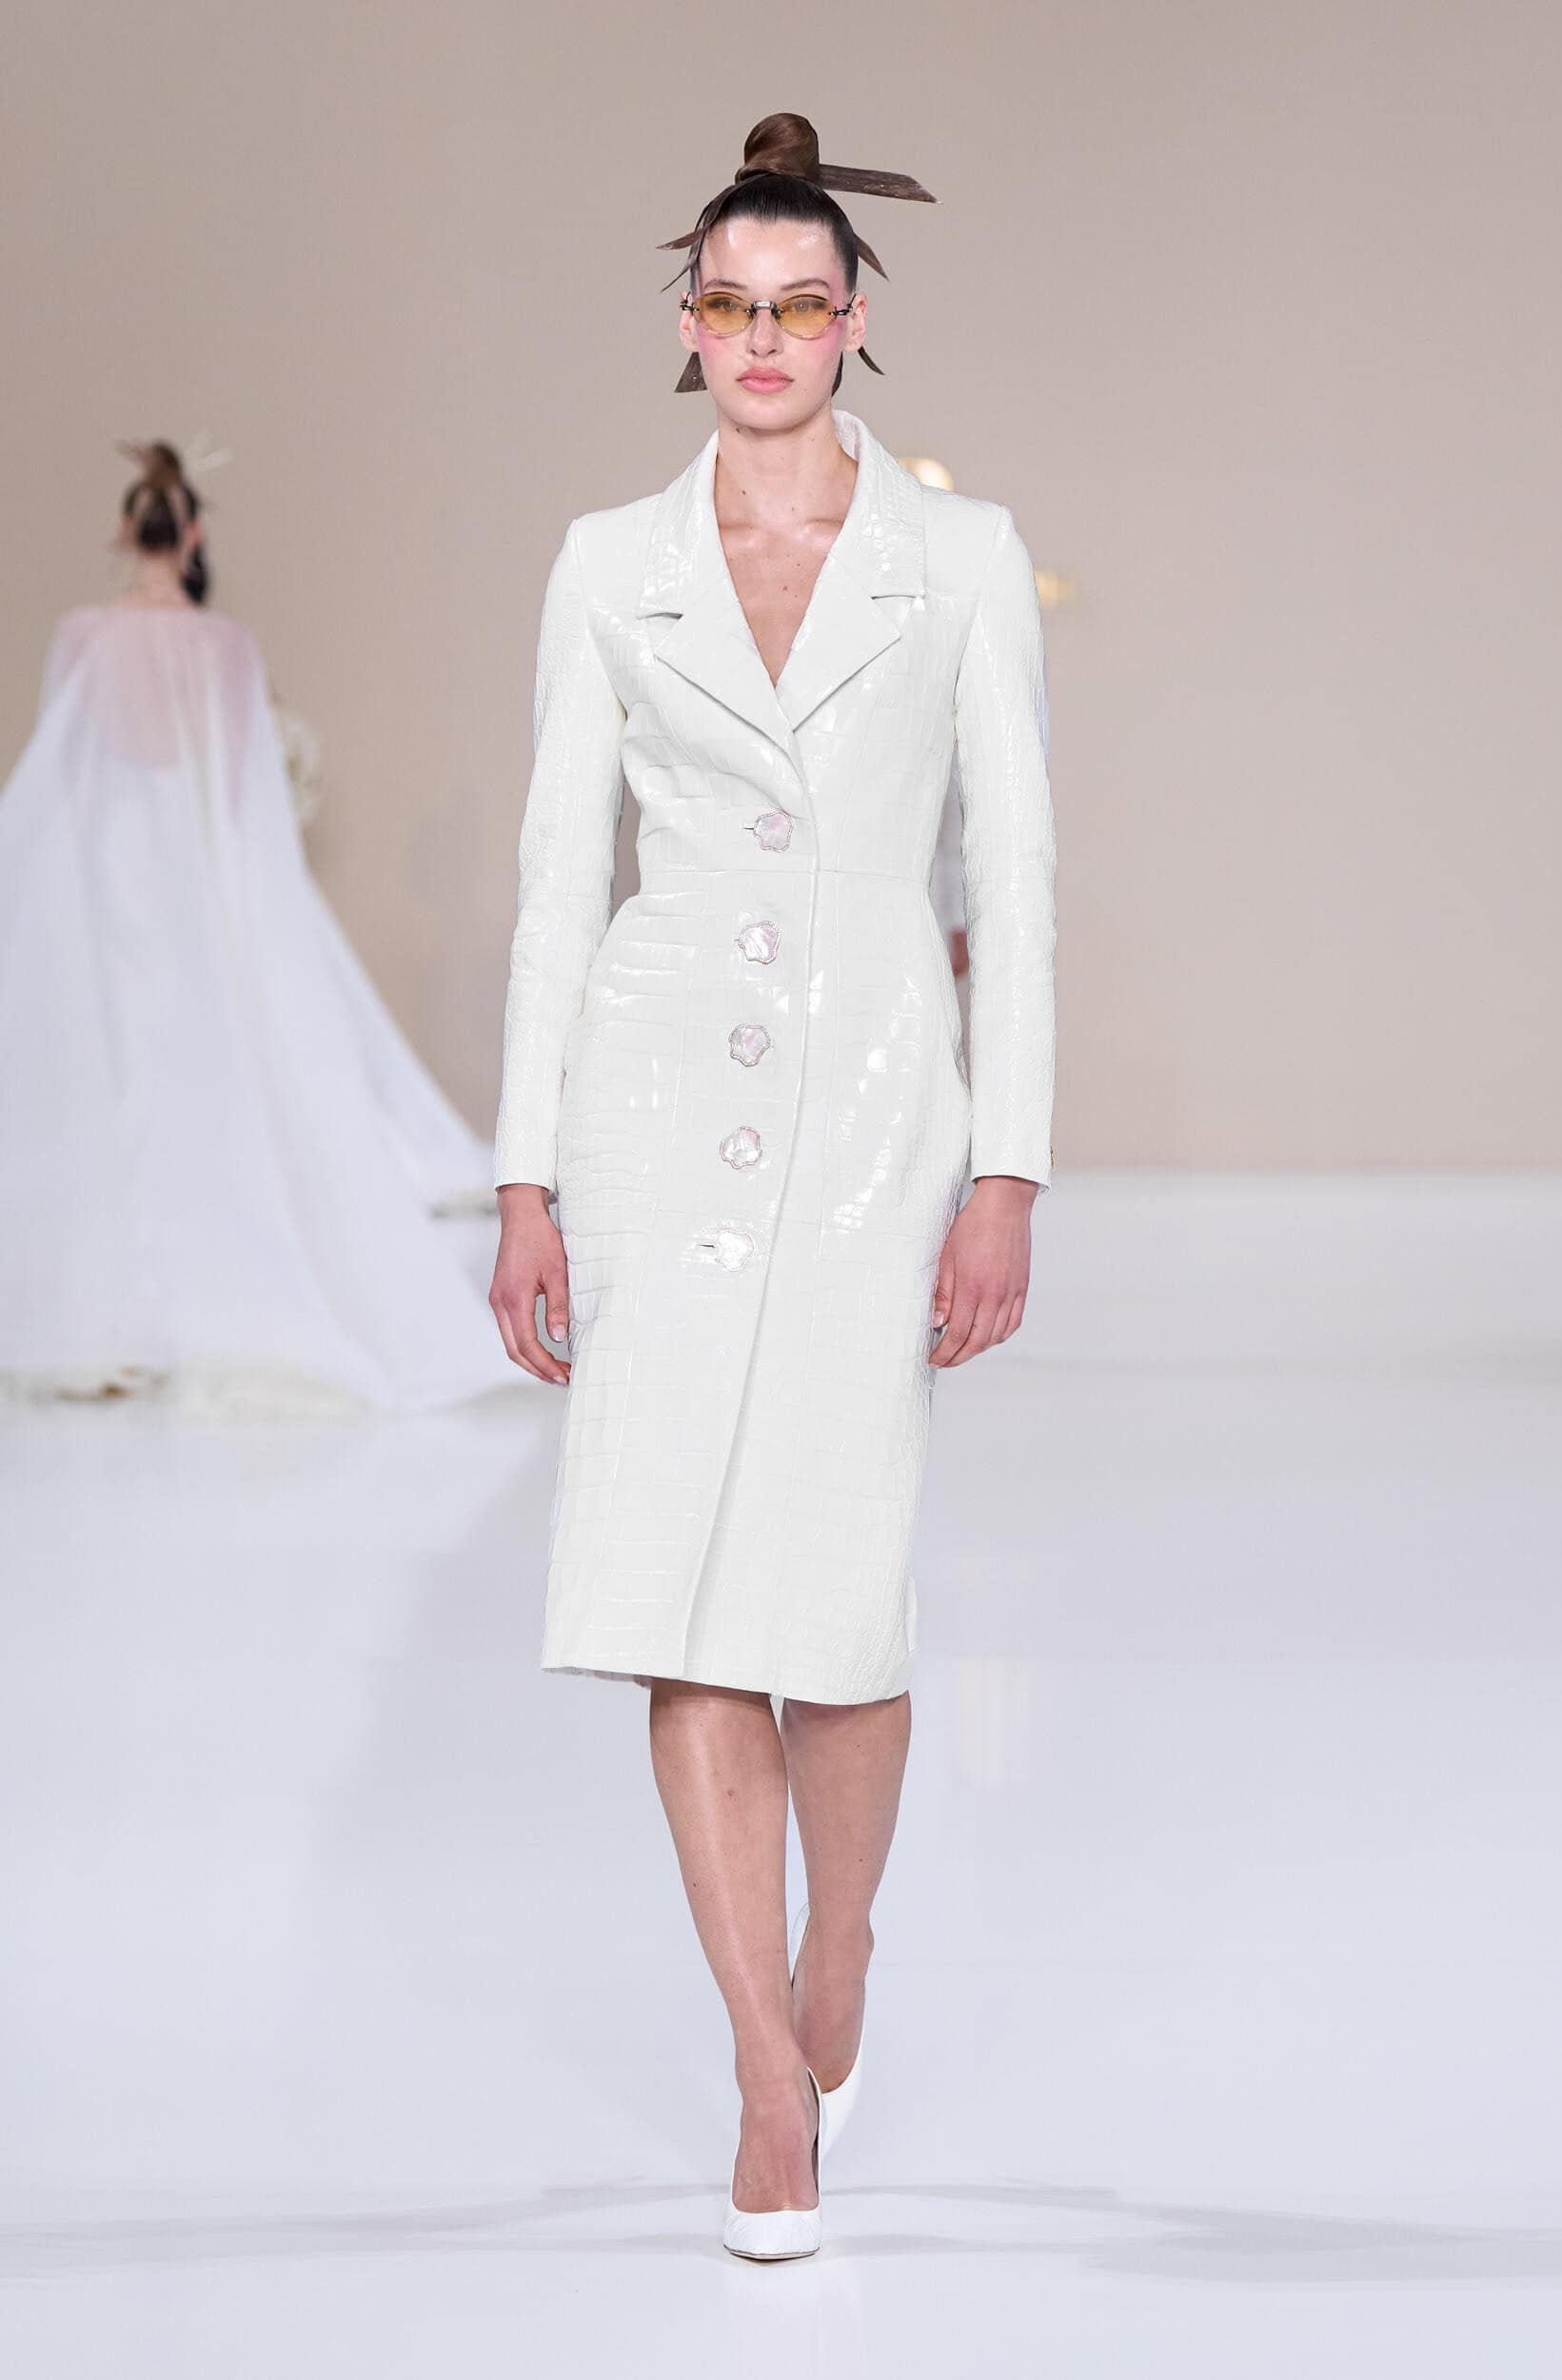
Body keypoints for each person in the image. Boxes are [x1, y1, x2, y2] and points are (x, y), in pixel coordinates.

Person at [489, 113, 1057, 2258]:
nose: (759, 339)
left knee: (835, 1609)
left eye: (794, 305)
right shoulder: (603, 562)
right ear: (686, 322)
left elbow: (1013, 872)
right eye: (726, 305)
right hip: (650, 1114)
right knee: (675, 1603)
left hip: (875, 1120)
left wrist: (1005, 1165)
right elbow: (562, 881)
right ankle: (758, 2066)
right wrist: (527, 1178)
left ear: (851, 322)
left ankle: (845, 1937)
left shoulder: (959, 556)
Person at [0, 441, 520, 1414]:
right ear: (194, 533)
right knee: (199, 1053)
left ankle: (119, 1296)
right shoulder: (225, 646)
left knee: (119, 1054)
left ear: (123, 532)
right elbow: (245, 794)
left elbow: (67, 769)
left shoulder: (83, 635)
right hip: (194, 859)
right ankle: (199, 1264)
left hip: (116, 859)